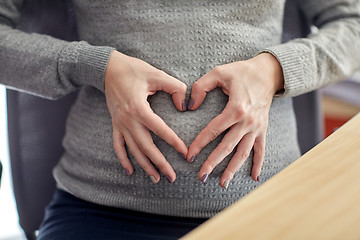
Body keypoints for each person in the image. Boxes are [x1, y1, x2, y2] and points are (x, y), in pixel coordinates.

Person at [1, 0, 360, 239]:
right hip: (101, 210)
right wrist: (93, 66)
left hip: (269, 205)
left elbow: (353, 23)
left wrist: (275, 70)